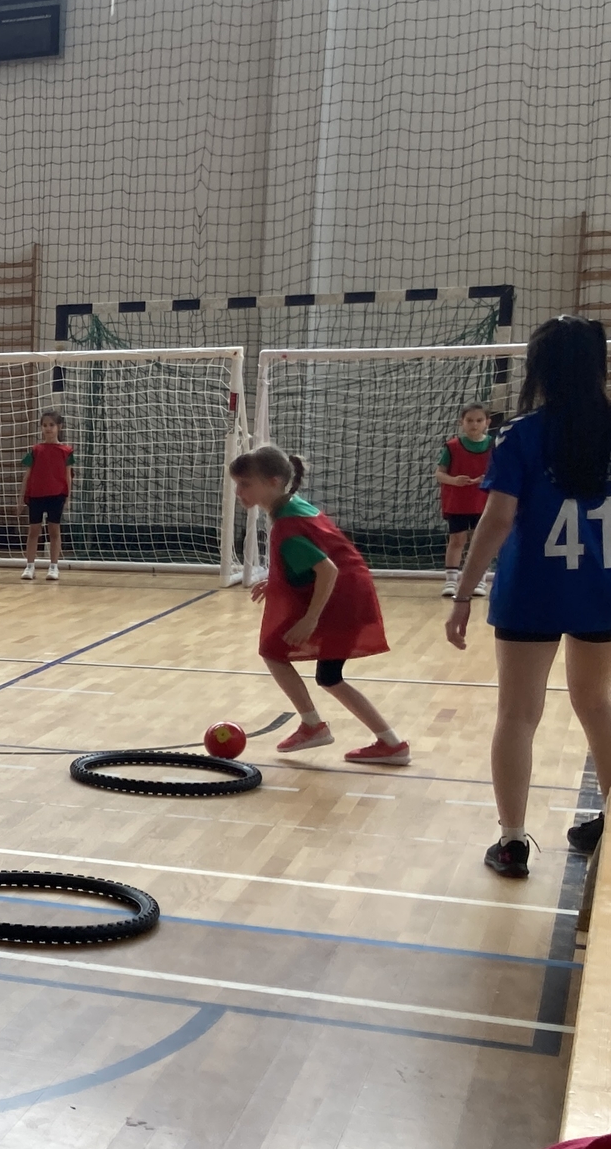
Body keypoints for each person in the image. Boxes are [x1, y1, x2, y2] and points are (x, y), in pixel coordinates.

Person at [443, 316, 611, 878]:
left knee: (517, 714)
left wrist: (463, 593)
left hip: (532, 589)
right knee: (597, 703)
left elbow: (496, 520)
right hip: (602, 587)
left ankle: (513, 842)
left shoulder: (521, 433)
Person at [230, 445, 408, 766]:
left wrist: (311, 619)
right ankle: (389, 743)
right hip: (348, 592)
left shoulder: (287, 525)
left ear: (272, 482)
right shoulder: (292, 505)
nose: (239, 492)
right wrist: (277, 581)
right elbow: (317, 555)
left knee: (275, 652)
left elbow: (327, 569)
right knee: (327, 675)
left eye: (245, 484)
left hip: (341, 597)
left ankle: (316, 726)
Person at [437, 402, 496, 596]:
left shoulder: (495, 445)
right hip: (458, 502)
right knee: (457, 540)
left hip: (484, 502)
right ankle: (451, 581)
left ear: (487, 422)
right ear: (461, 422)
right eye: (469, 420)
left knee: (481, 541)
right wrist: (454, 480)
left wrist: (489, 478)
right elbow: (439, 474)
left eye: (479, 420)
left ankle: (479, 581)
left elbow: (501, 472)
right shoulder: (452, 446)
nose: (474, 424)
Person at [20, 410, 74, 581]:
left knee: (54, 531)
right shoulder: (35, 450)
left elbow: (68, 476)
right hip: (36, 495)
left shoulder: (66, 451)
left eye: (51, 425)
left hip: (56, 496)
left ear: (59, 427)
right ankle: (30, 566)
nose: (48, 428)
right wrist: (21, 497)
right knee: (33, 531)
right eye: (44, 425)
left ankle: (54, 567)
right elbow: (27, 474)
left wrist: (68, 497)